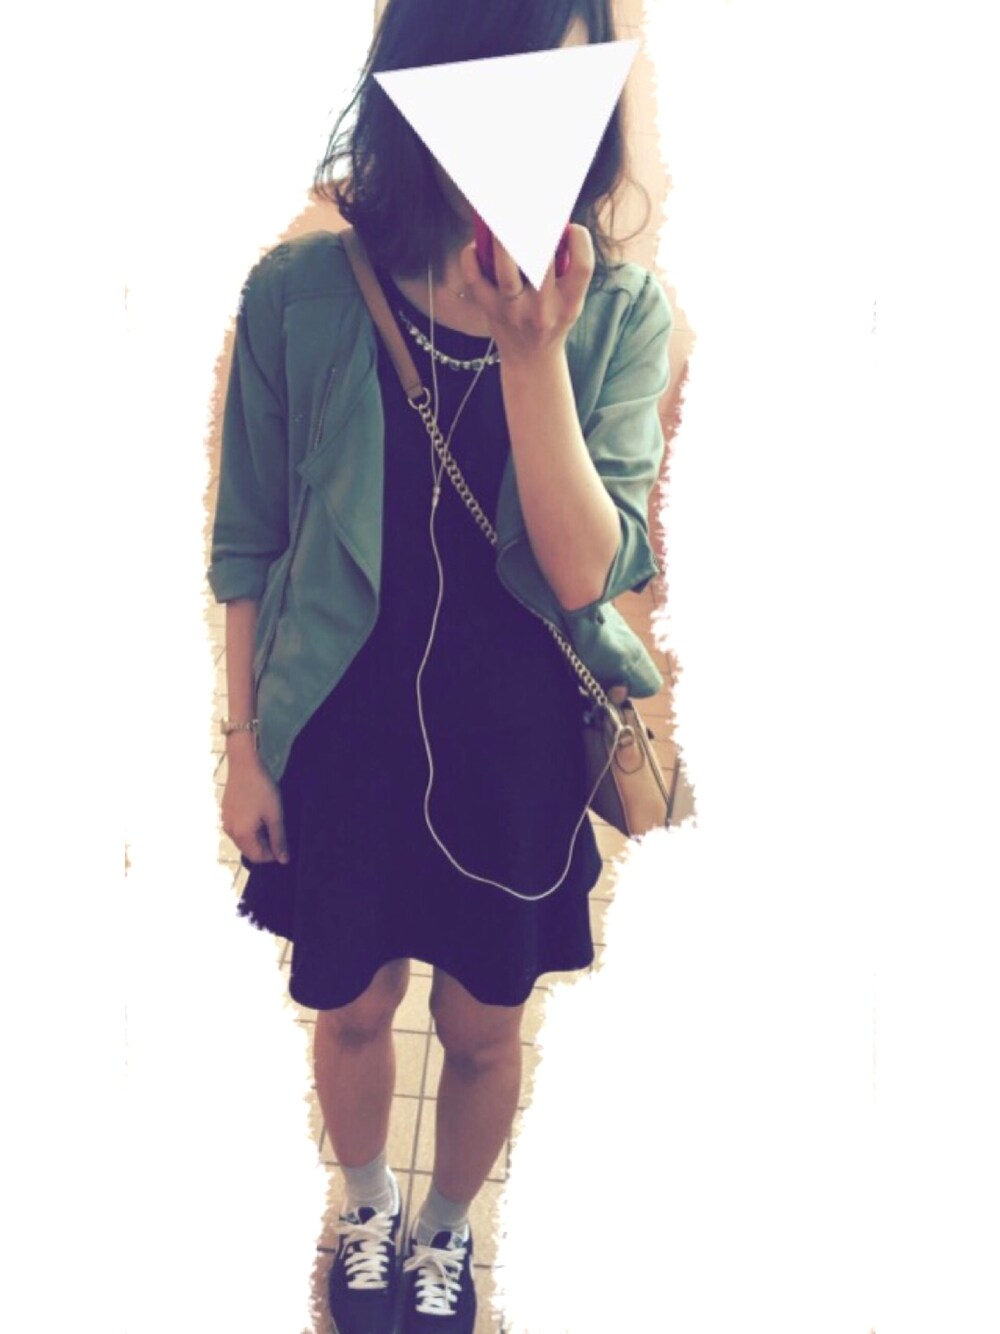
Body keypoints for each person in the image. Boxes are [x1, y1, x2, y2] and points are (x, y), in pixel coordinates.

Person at [208, 1, 672, 1329]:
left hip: (513, 743)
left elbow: (585, 571)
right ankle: (364, 1206)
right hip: (343, 730)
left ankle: (447, 1233)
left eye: (575, 78)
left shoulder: (616, 313)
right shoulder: (301, 294)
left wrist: (534, 352)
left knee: (482, 1029)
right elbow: (249, 540)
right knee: (352, 1011)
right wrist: (244, 745)